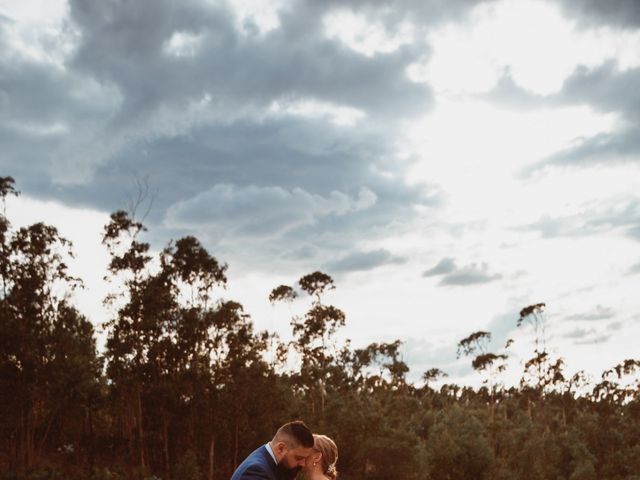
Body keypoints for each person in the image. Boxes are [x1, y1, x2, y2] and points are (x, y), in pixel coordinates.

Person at [231, 420, 314, 480]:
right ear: (281, 448)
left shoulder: (271, 467)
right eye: (299, 458)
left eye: (305, 458)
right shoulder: (255, 471)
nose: (303, 464)